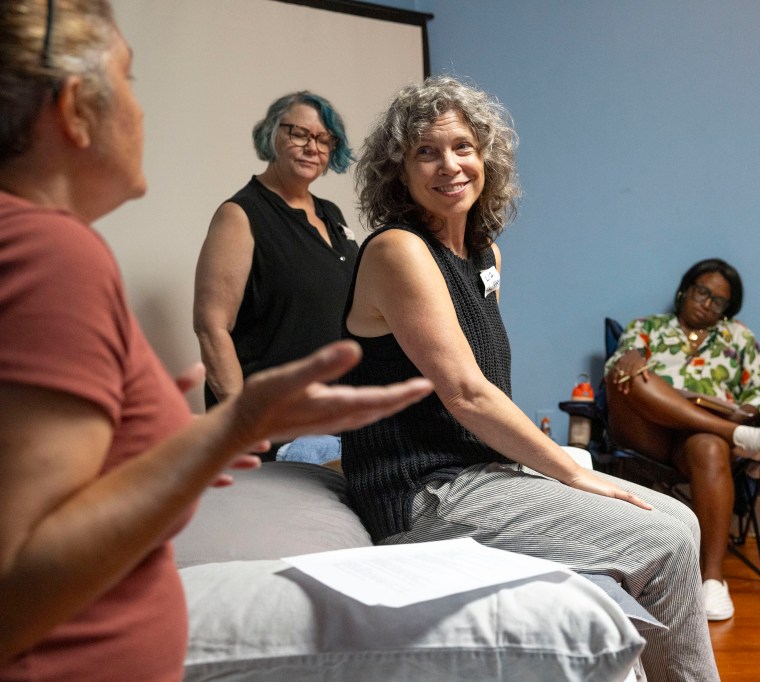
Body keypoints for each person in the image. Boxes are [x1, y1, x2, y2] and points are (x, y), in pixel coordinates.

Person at [0, 2, 433, 679]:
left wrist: (175, 439)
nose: (142, 113)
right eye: (130, 82)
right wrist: (237, 426)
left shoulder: (331, 218)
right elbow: (19, 586)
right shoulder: (52, 252)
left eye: (321, 137)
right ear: (74, 109)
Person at [339, 75, 719, 681]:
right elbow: (466, 392)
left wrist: (549, 470)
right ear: (399, 172)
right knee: (662, 540)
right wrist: (569, 469)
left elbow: (486, 377)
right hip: (425, 490)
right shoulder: (398, 251)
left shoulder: (484, 253)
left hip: (484, 473)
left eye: (463, 146)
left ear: (485, 155)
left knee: (683, 520)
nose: (450, 165)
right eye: (426, 152)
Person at [605, 258, 760, 621]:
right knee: (631, 375)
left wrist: (743, 412)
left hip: (699, 444)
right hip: (648, 433)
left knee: (710, 445)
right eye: (702, 292)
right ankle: (738, 436)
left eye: (719, 301)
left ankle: (712, 580)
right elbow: (620, 371)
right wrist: (633, 360)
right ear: (685, 290)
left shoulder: (738, 336)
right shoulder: (647, 328)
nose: (707, 303)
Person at [193, 91, 358, 443]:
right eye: (299, 133)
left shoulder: (333, 215)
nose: (312, 147)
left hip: (333, 424)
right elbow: (211, 328)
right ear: (272, 134)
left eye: (324, 139)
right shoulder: (239, 215)